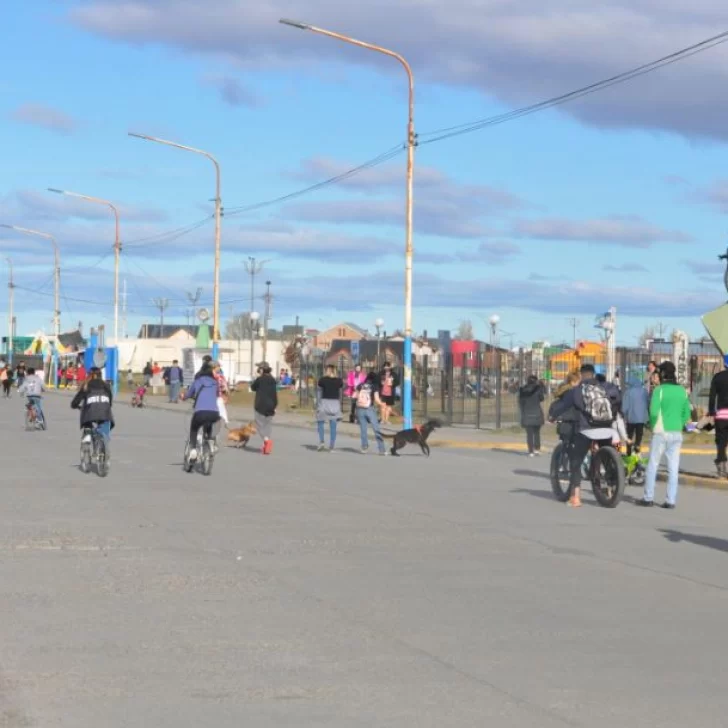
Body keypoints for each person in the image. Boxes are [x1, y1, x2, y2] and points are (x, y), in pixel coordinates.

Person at [548, 364, 615, 508]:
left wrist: (552, 416)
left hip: (587, 430)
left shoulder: (577, 391)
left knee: (576, 462)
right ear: (593, 374)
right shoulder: (604, 388)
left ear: (582, 375)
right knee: (607, 458)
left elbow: (563, 406)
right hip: (607, 428)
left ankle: (575, 498)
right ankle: (612, 484)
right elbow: (616, 402)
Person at [637, 361, 691, 509]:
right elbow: (687, 413)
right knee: (673, 468)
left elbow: (653, 411)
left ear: (662, 374)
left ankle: (648, 498)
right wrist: (678, 423)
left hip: (661, 432)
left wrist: (654, 426)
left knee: (653, 465)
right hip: (676, 433)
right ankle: (670, 500)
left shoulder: (659, 390)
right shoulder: (681, 391)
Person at [181, 362, 220, 461]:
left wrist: (183, 397)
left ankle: (193, 450)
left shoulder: (197, 381)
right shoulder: (215, 382)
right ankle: (210, 441)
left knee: (194, 429)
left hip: (200, 412)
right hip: (214, 413)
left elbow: (188, 394)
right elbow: (216, 394)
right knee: (209, 424)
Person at [71, 367, 114, 447]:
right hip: (105, 412)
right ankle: (104, 439)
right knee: (104, 423)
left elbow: (75, 401)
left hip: (91, 413)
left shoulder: (86, 386)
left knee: (86, 414)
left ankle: (87, 433)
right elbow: (110, 400)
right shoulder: (106, 385)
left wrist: (75, 406)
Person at [355, 371, 387, 455]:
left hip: (360, 409)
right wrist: (382, 404)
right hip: (369, 409)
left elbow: (355, 396)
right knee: (376, 429)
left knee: (363, 429)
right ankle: (381, 449)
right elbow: (376, 399)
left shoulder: (360, 385)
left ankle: (364, 447)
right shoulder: (374, 386)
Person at [707, 356, 728, 477]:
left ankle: (721, 465)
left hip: (721, 414)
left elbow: (712, 396)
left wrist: (711, 411)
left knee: (721, 441)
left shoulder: (717, 377)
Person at [251, 362, 277, 455]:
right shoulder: (273, 380)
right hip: (271, 404)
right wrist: (275, 406)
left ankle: (266, 441)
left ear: (261, 369)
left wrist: (255, 377)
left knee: (259, 424)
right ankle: (265, 446)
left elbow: (253, 388)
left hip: (260, 405)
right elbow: (274, 394)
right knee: (267, 424)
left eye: (259, 368)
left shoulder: (260, 379)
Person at [316, 365, 343, 451]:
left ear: (330, 371)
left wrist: (318, 404)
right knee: (333, 424)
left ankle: (321, 441)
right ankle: (332, 445)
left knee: (320, 421)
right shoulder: (339, 381)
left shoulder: (322, 380)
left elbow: (319, 390)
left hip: (325, 402)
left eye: (326, 370)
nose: (325, 372)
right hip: (335, 403)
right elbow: (340, 390)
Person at [518, 374, 544, 457]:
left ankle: (530, 451)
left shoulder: (522, 390)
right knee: (536, 432)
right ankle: (537, 449)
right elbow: (542, 398)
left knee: (529, 433)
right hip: (537, 413)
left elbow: (520, 402)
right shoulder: (538, 389)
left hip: (527, 413)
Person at [622, 377, 649, 455]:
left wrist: (624, 414)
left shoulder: (628, 392)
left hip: (630, 419)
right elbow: (647, 403)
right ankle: (637, 452)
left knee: (629, 436)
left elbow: (624, 407)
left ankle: (629, 452)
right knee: (639, 437)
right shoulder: (644, 391)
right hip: (641, 419)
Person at [212, 362, 230, 428]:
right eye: (218, 366)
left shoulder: (220, 376)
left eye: (219, 367)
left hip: (218, 396)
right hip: (211, 397)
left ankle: (225, 421)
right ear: (214, 367)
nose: (219, 368)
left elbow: (225, 387)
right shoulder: (210, 376)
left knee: (221, 409)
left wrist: (226, 392)